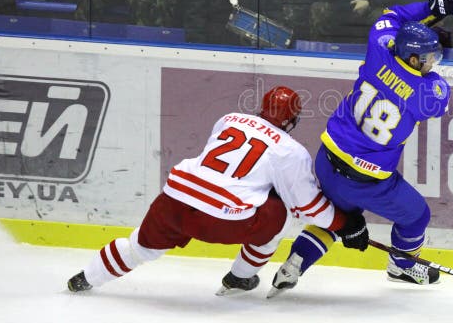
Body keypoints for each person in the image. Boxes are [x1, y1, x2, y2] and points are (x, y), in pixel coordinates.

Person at [266, 0, 453, 298]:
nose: (433, 62)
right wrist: (438, 14)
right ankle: (402, 266)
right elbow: (434, 90)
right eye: (429, 58)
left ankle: (295, 263)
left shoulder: (379, 45)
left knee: (340, 215)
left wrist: (433, 6)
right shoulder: (428, 93)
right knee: (417, 216)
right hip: (366, 179)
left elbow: (394, 15)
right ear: (413, 58)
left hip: (328, 159)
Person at [66, 85, 369, 294]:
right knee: (284, 211)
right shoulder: (291, 150)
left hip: (174, 200)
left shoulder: (228, 119)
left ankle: (85, 277)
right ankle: (241, 276)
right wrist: (345, 224)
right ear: (292, 120)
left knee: (139, 247)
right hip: (223, 220)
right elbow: (307, 206)